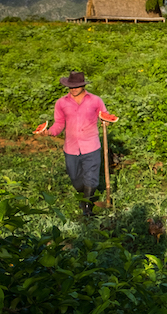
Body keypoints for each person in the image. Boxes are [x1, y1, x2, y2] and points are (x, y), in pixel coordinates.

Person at [34, 71, 110, 217]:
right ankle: (84, 197)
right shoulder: (61, 103)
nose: (73, 89)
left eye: (77, 86)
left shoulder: (95, 100)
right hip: (71, 147)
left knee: (92, 177)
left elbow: (104, 115)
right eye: (71, 86)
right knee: (75, 179)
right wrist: (49, 132)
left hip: (91, 145)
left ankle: (87, 208)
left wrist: (105, 121)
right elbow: (59, 123)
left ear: (83, 85)